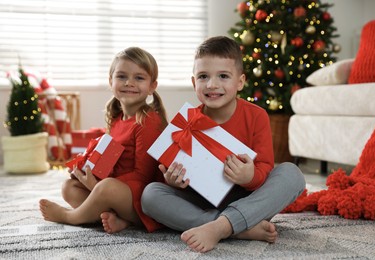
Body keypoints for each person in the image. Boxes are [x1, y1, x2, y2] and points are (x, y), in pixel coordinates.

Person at [141, 36, 306, 252]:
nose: (212, 85)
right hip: (202, 201)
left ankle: (220, 227)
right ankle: (237, 227)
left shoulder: (257, 116)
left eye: (223, 76)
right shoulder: (185, 122)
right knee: (150, 195)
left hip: (247, 199)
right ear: (193, 83)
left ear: (240, 82)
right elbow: (173, 170)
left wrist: (249, 177)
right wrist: (173, 181)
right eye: (203, 76)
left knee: (292, 174)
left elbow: (265, 169)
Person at [39, 47, 168, 234]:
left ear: (152, 87)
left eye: (139, 78)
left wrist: (99, 185)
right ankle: (119, 219)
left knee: (107, 187)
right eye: (122, 76)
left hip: (140, 196)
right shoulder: (117, 120)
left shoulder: (148, 120)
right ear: (111, 81)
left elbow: (144, 176)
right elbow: (108, 161)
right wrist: (85, 171)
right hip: (114, 189)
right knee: (69, 187)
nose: (129, 82)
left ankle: (71, 217)